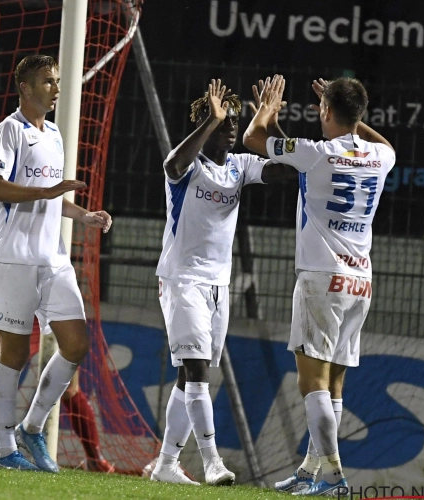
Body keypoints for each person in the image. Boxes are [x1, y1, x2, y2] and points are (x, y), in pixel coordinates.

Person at [244, 76, 395, 496]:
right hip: (359, 282)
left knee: (312, 383)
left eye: (321, 108)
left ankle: (333, 476)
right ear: (360, 115)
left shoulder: (317, 154)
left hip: (320, 280)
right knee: (336, 385)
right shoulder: (380, 157)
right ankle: (312, 468)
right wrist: (351, 118)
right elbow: (383, 143)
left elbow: (252, 138)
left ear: (325, 111)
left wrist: (267, 112)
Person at [151, 79, 294, 486]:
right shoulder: (188, 167)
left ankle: (165, 465)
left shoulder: (238, 165)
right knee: (198, 372)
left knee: (188, 377)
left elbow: (286, 170)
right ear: (206, 125)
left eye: (234, 120)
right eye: (224, 120)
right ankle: (213, 462)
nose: (232, 126)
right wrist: (209, 122)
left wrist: (270, 122)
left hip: (218, 286)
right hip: (182, 281)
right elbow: (172, 166)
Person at [0, 54, 111, 472]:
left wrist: (84, 216)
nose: (55, 88)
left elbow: (54, 196)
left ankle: (32, 427)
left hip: (53, 259)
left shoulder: (54, 132)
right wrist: (47, 192)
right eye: (47, 81)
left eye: (56, 81)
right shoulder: (10, 131)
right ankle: (4, 452)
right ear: (24, 86)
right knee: (13, 355)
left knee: (76, 343)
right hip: (14, 259)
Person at [0, 190, 114, 473]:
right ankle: (91, 458)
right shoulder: (5, 207)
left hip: (29, 294)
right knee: (65, 376)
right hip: (45, 285)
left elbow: (5, 263)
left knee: (1, 366)